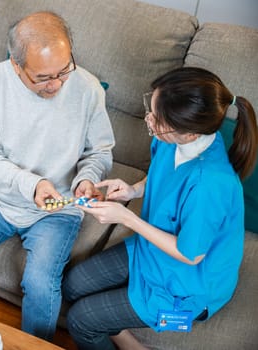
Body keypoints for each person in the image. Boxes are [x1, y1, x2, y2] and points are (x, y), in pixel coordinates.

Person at [0, 11, 114, 340]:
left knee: (41, 286)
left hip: (58, 209)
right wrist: (31, 184)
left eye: (64, 70)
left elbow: (99, 152)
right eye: (43, 77)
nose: (56, 84)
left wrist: (87, 178)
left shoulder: (87, 89)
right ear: (16, 65)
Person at [62, 66, 258, 350]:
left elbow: (190, 255)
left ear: (188, 133)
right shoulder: (172, 140)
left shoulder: (211, 185)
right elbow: (159, 172)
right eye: (151, 108)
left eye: (156, 119)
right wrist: (134, 189)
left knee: (81, 320)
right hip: (152, 252)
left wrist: (127, 217)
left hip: (188, 285)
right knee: (72, 285)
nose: (148, 120)